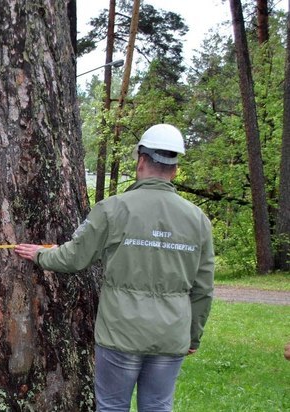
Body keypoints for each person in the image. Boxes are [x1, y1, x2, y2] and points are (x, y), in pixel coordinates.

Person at [15, 124, 214, 411]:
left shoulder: (113, 209)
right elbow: (203, 288)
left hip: (121, 332)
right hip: (171, 335)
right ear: (175, 168)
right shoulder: (197, 220)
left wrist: (40, 255)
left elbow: (73, 257)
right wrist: (192, 335)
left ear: (141, 160)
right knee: (158, 406)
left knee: (112, 406)